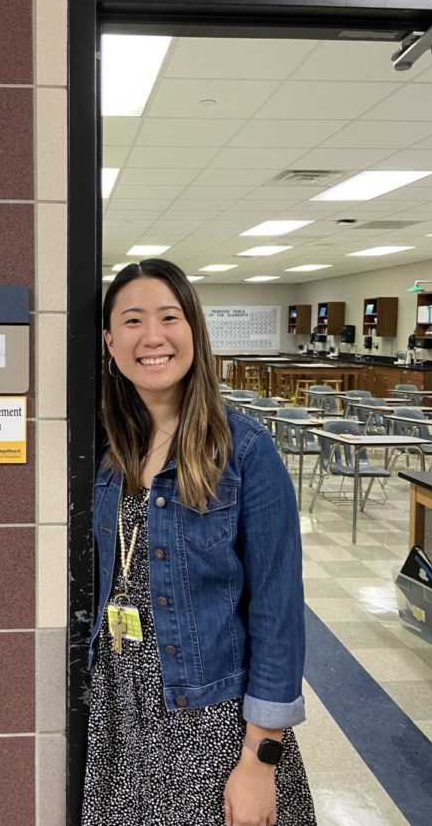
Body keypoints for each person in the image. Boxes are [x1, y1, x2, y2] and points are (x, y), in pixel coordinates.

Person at [81, 259, 316, 826]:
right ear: (110, 341)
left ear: (194, 331)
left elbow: (277, 612)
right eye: (132, 321)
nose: (153, 337)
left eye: (169, 317)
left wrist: (261, 759)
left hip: (208, 721)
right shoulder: (103, 449)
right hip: (118, 713)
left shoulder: (246, 453)